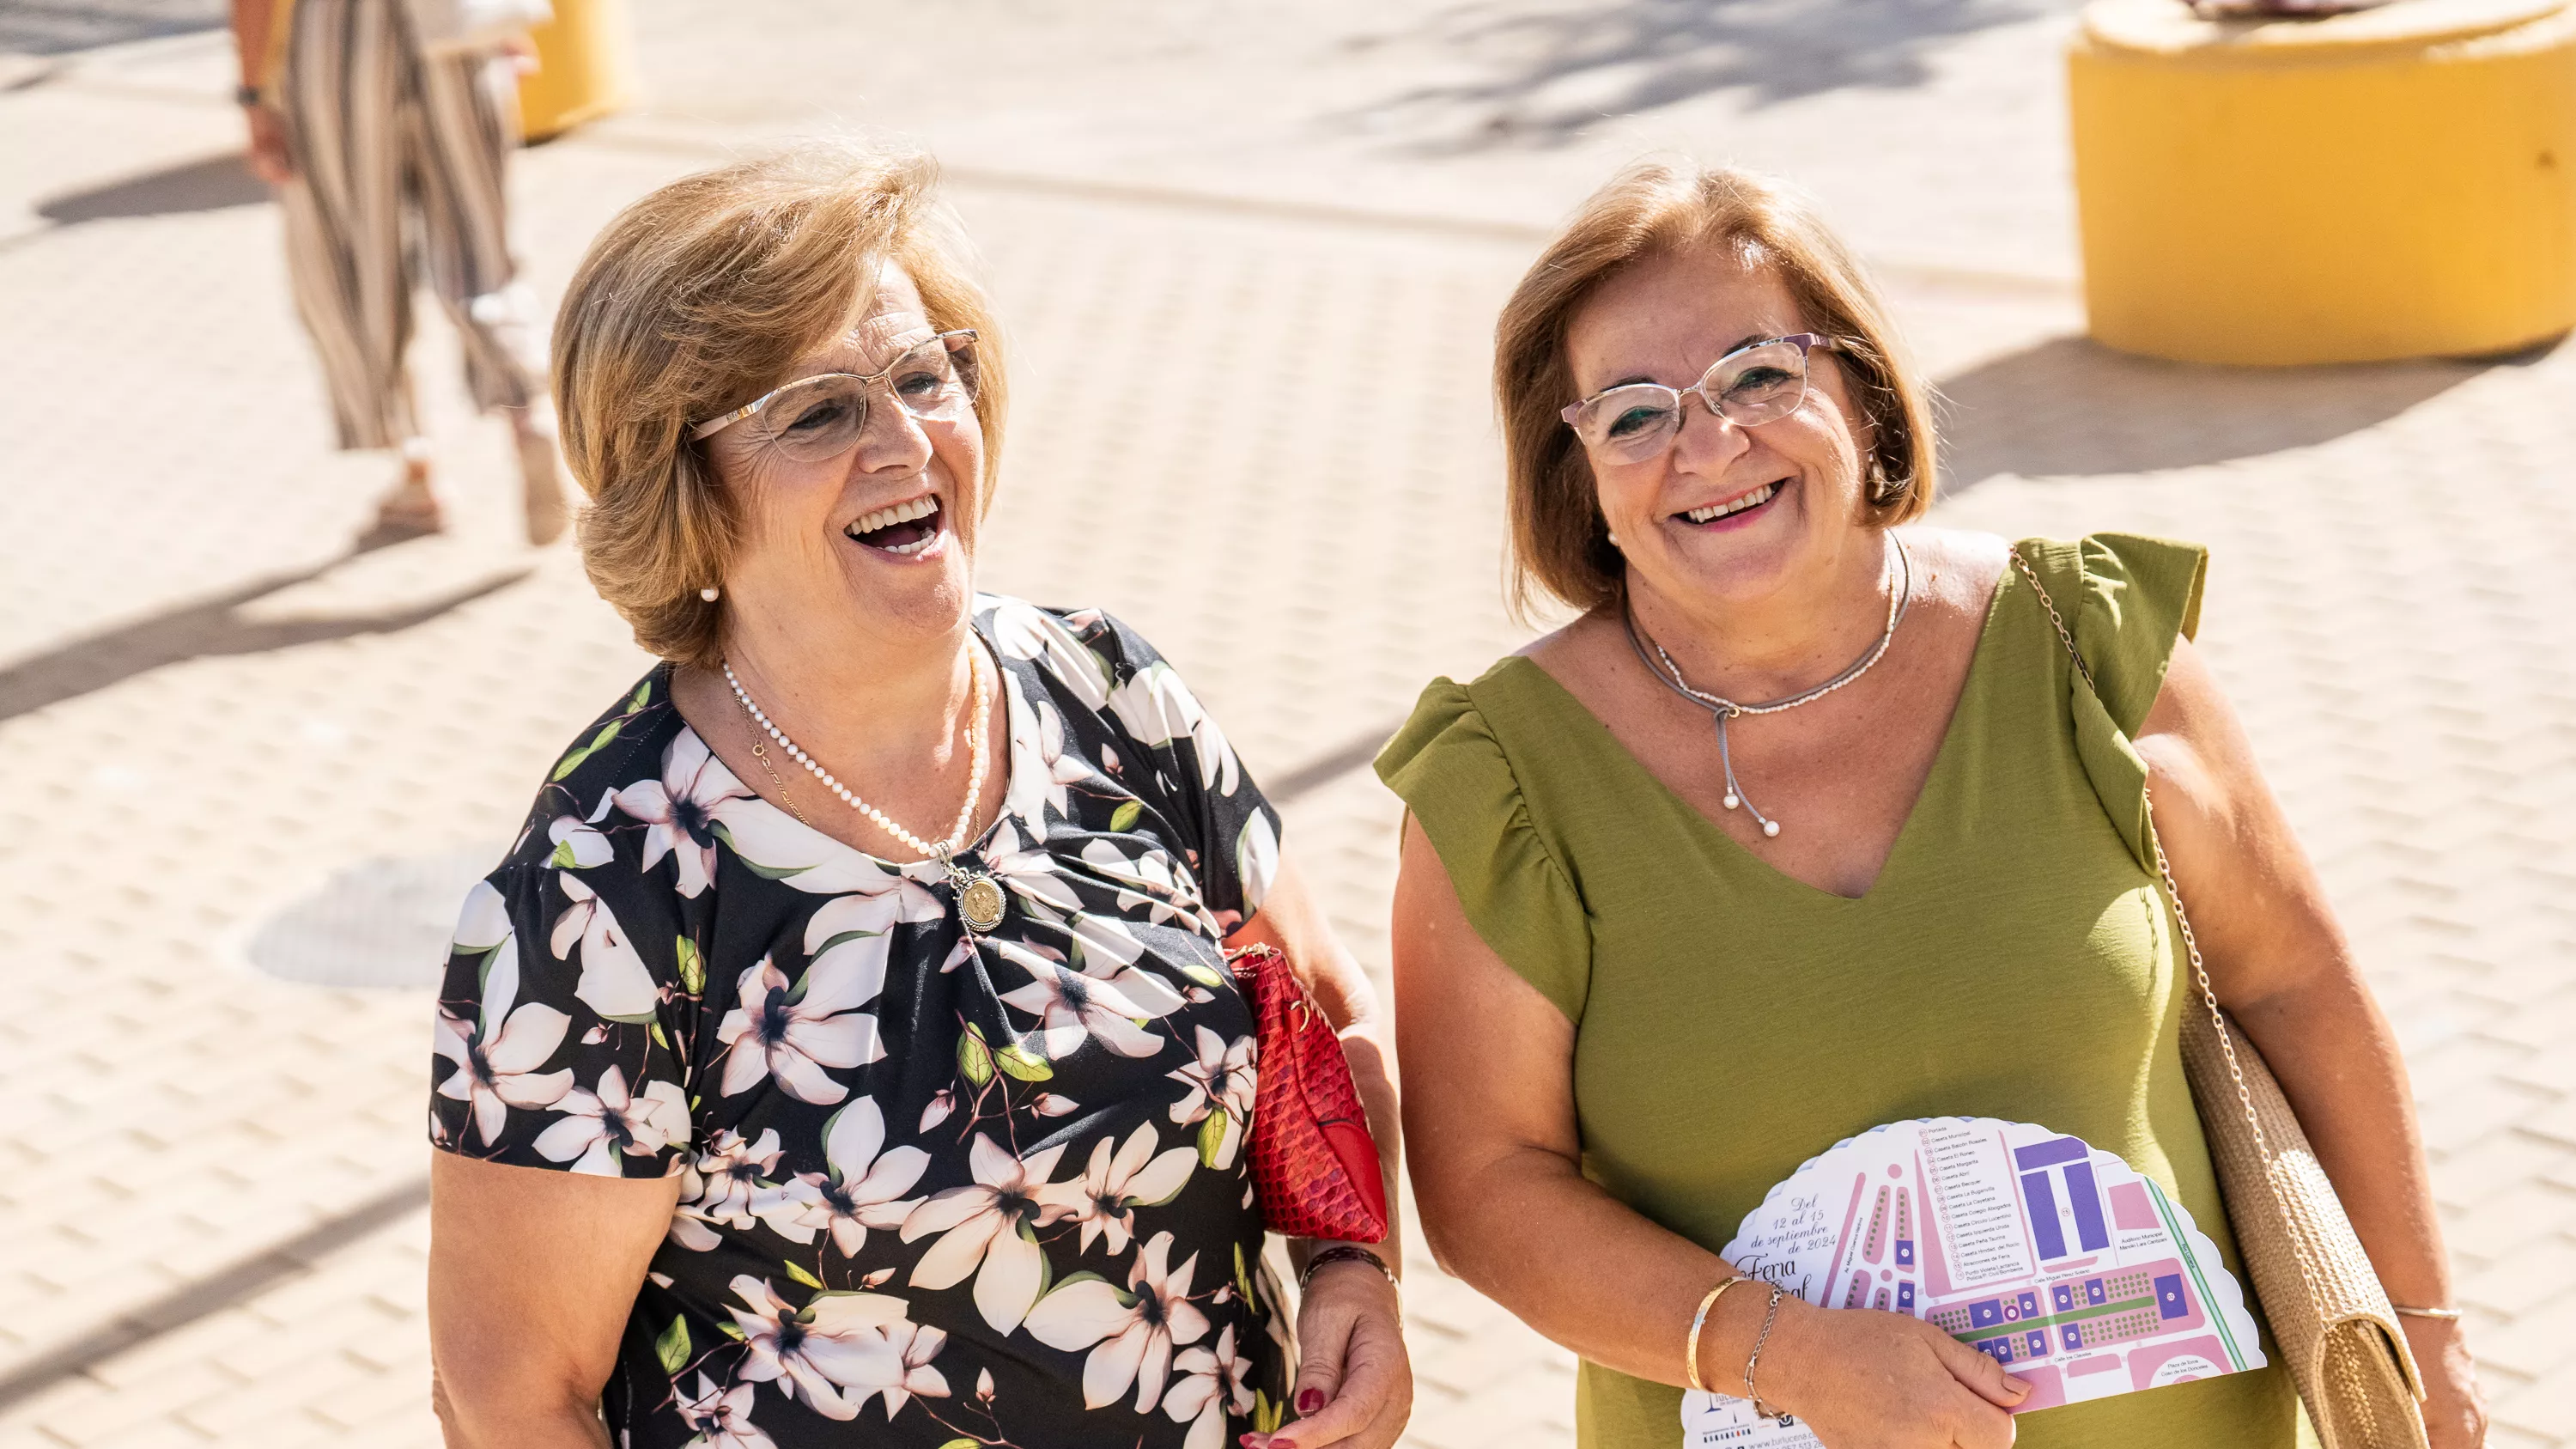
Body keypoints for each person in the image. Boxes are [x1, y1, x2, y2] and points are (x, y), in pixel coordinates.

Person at [1378, 161, 2485, 1449]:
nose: (1708, 444)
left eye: (1757, 375)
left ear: (1856, 381)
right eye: (1633, 413)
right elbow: (1486, 1189)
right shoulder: (1506, 777)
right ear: (1576, 472)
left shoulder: (2085, 651)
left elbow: (2297, 986)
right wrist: (1785, 1351)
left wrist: (2431, 1336)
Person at [423, 142, 1411, 1449]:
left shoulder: (1110, 690)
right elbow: (508, 1395)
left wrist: (1354, 1273)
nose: (902, 440)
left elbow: (1317, 1020)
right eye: (817, 410)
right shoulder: (601, 888)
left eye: (920, 374)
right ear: (683, 487)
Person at [229, 0, 569, 545]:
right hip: (457, 33)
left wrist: (252, 98)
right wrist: (511, 27)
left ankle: (417, 472)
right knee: (481, 248)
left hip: (338, 53)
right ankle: (526, 416)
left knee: (358, 266)